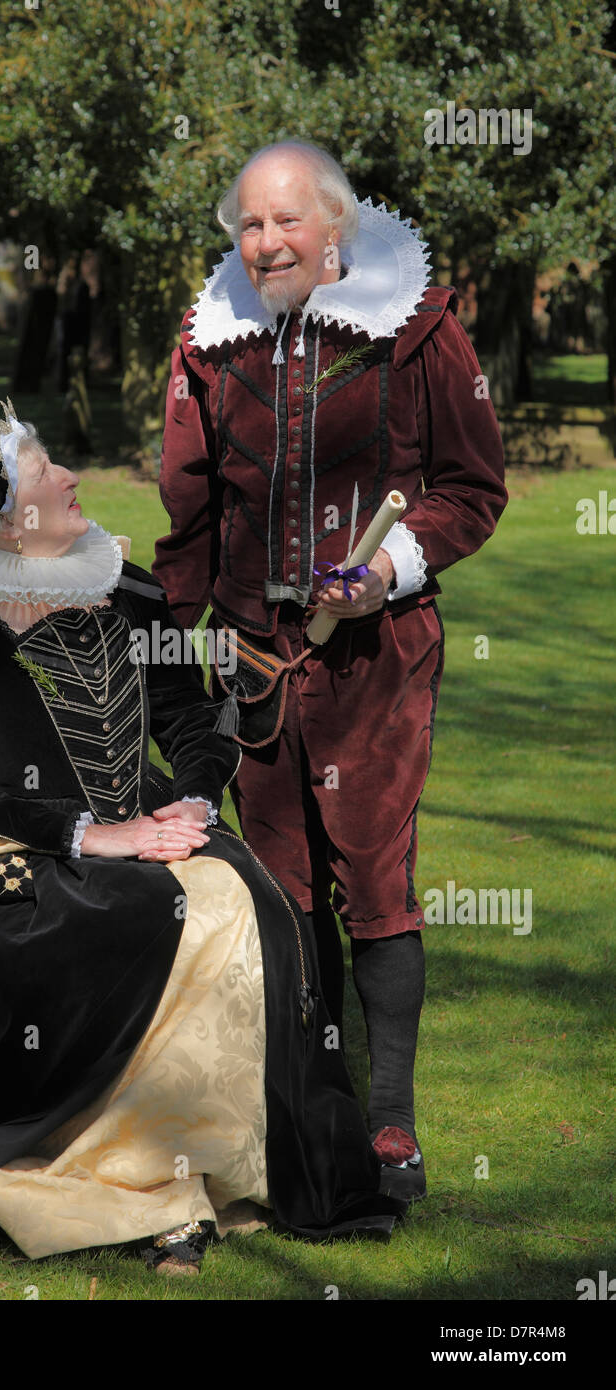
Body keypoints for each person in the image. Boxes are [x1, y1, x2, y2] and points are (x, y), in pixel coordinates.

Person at [0, 400, 406, 1273]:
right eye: (49, 472)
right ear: (16, 523)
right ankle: (152, 1190)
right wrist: (93, 835)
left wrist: (196, 803)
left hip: (150, 828)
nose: (70, 477)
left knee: (238, 902)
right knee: (142, 921)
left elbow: (193, 724)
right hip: (12, 857)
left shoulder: (130, 597)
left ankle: (204, 1162)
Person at [152, 140, 508, 1201]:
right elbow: (188, 515)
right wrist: (176, 656)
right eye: (249, 226)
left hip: (374, 662)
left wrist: (387, 570)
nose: (265, 243)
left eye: (286, 222)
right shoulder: (208, 344)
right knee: (275, 885)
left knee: (375, 880)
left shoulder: (420, 332)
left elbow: (469, 488)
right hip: (253, 661)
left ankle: (390, 1127)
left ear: (336, 227)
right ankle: (310, 1114)